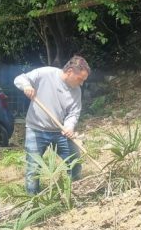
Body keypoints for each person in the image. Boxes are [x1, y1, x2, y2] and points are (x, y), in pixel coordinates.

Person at [14, 55, 90, 195]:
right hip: (36, 129)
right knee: (33, 169)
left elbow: (73, 113)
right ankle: (33, 200)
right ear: (70, 72)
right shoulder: (46, 73)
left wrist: (69, 127)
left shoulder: (76, 91)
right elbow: (19, 79)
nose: (81, 83)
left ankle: (75, 193)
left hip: (60, 132)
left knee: (74, 162)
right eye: (80, 79)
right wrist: (26, 86)